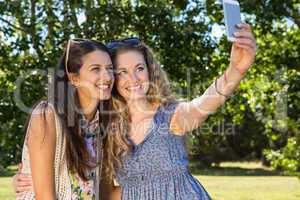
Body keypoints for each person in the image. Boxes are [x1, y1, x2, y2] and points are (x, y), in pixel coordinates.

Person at [103, 23, 257, 199]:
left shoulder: (169, 115)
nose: (134, 79)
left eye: (139, 68)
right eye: (122, 72)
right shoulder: (107, 128)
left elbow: (201, 107)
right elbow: (108, 193)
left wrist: (235, 70)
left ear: (149, 71)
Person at [13, 39, 127, 200]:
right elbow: (45, 197)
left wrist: (158, 183)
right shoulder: (47, 116)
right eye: (96, 69)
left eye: (109, 69)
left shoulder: (99, 126)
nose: (107, 76)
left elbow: (105, 195)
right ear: (74, 78)